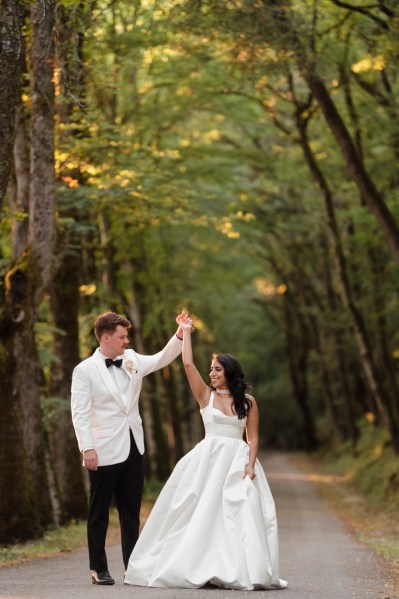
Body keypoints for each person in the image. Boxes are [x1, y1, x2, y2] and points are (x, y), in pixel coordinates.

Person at [124, 313, 288, 591]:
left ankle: (240, 569)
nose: (212, 373)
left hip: (237, 462)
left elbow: (254, 437)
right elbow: (187, 363)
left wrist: (250, 465)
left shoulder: (248, 402)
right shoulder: (205, 395)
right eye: (211, 368)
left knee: (238, 514)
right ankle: (197, 566)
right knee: (198, 512)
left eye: (217, 369)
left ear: (230, 373)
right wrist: (185, 331)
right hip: (207, 460)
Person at [71, 310, 186, 586]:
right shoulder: (84, 370)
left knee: (130, 512)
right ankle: (99, 569)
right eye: (122, 336)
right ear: (107, 338)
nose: (126, 340)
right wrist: (87, 448)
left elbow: (160, 359)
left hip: (134, 445)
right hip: (102, 449)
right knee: (99, 511)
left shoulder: (132, 359)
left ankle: (133, 567)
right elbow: (80, 413)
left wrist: (180, 335)